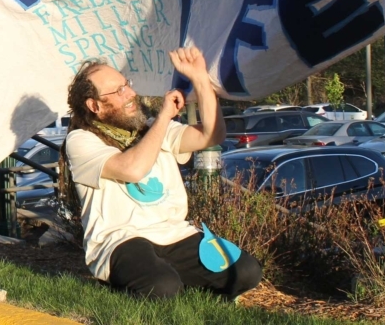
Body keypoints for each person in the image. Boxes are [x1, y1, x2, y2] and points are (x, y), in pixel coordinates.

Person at [60, 47, 261, 300]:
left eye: (127, 85)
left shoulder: (154, 128)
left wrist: (199, 78)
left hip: (174, 233)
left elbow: (212, 135)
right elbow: (132, 169)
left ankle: (175, 280)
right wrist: (165, 115)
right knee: (162, 286)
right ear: (95, 106)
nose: (131, 94)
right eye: (119, 91)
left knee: (246, 272)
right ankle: (149, 282)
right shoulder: (81, 140)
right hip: (121, 241)